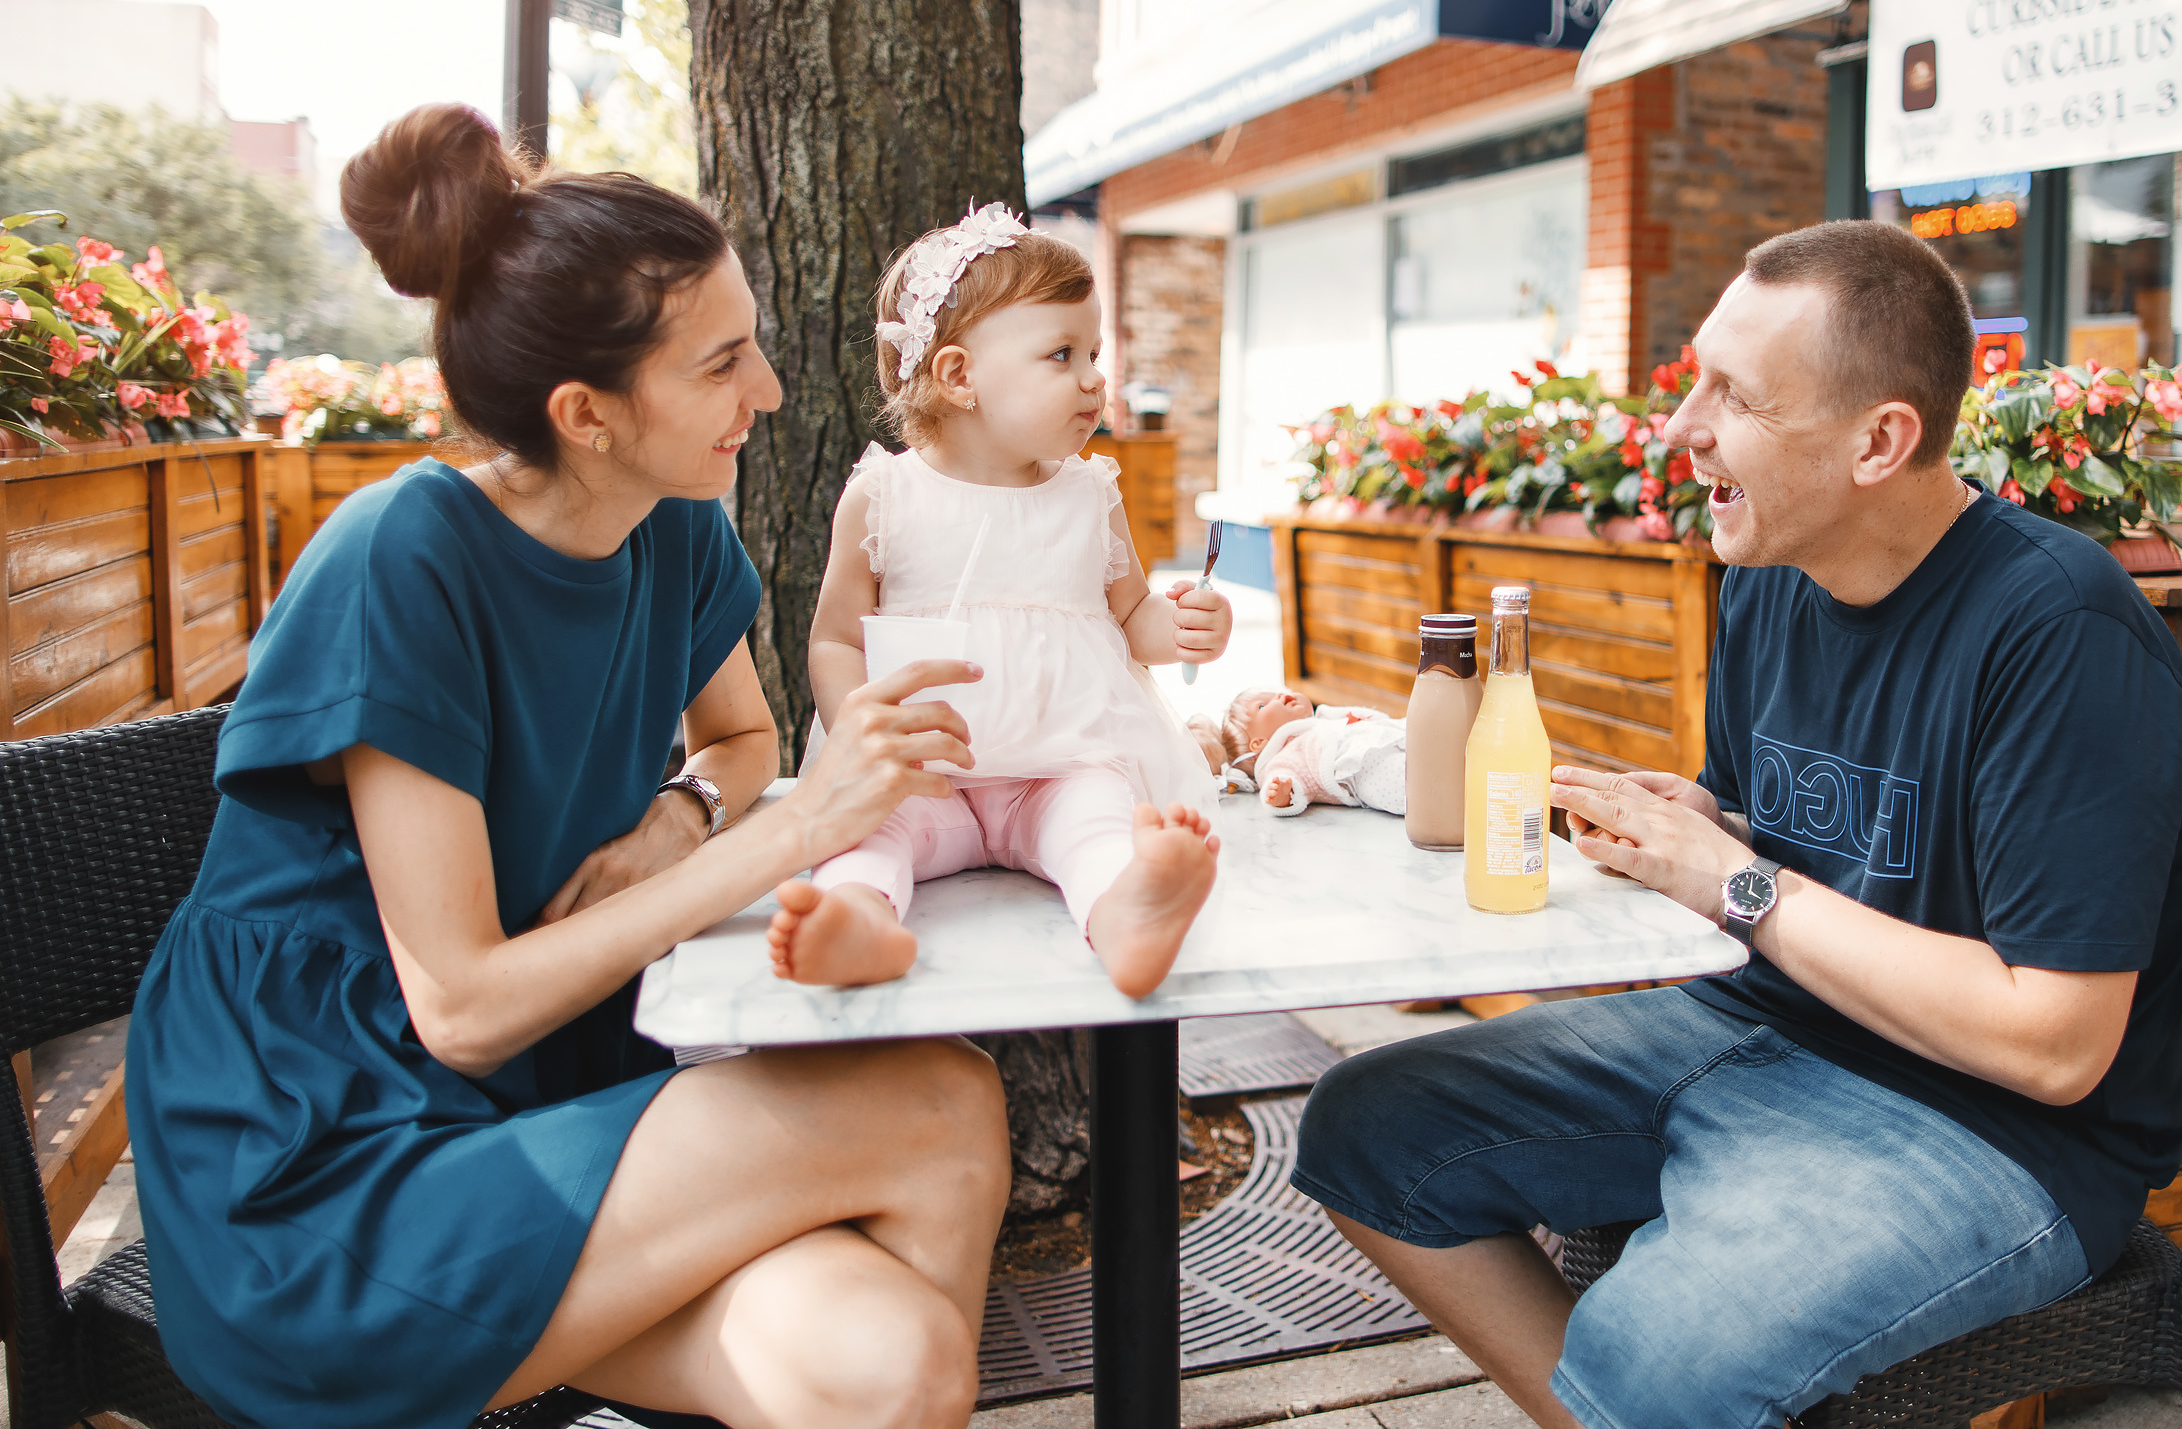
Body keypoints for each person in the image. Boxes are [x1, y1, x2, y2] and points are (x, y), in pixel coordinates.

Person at [125, 104, 1011, 1429]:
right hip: (325, 1176)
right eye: (721, 365)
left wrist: (684, 814)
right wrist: (781, 834)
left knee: (895, 1359)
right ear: (586, 412)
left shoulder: (676, 532)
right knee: (937, 1097)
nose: (766, 393)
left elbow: (745, 736)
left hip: (535, 1115)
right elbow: (463, 1005)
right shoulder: (401, 557)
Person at [1291, 220, 2182, 1429]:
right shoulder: (1774, 576)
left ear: (1879, 440)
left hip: (1994, 1133)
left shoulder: (2061, 632)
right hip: (1758, 1024)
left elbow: (2054, 1041)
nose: (1681, 430)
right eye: (1695, 380)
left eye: (1737, 398)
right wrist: (1705, 823)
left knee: (1655, 1368)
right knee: (1366, 1127)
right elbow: (1789, 845)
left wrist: (1738, 883)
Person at [762, 206, 1234, 998]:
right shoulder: (885, 496)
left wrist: (1182, 626)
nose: (1094, 377)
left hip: (1057, 766)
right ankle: (859, 919)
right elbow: (836, 638)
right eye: (1062, 354)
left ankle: (1126, 909)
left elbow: (1129, 617)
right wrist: (861, 728)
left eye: (1094, 352)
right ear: (958, 375)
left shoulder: (1090, 493)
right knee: (867, 828)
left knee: (1096, 818)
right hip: (921, 773)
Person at [1190, 688, 1406, 816]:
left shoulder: (1321, 720)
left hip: (1392, 738)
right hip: (1361, 772)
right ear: (1259, 743)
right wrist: (1280, 793)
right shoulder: (1280, 758)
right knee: (1408, 782)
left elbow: (1367, 719)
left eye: (1275, 692)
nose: (1280, 696)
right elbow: (1282, 782)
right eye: (1262, 706)